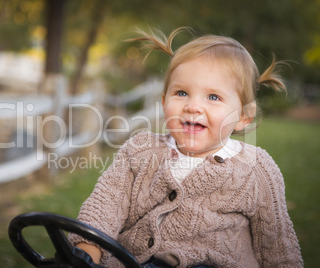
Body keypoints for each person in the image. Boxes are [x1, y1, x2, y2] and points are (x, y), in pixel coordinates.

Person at [68, 27, 303, 268]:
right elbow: (103, 208)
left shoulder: (256, 169)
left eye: (213, 97)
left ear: (244, 115)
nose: (192, 106)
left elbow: (278, 248)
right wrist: (86, 255)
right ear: (163, 102)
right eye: (181, 93)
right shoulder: (140, 149)